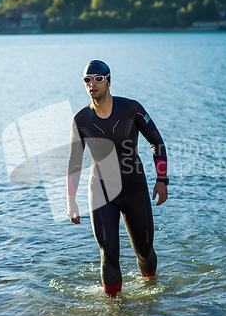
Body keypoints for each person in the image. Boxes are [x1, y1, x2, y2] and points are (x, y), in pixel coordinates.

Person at [67, 60, 169, 296]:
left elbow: (157, 142)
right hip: (101, 191)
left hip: (134, 188)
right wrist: (71, 200)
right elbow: (74, 162)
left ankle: (150, 291)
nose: (92, 84)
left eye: (98, 79)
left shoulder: (132, 109)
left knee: (144, 251)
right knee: (109, 253)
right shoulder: (80, 120)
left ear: (109, 81)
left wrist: (162, 180)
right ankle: (114, 310)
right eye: (87, 80)